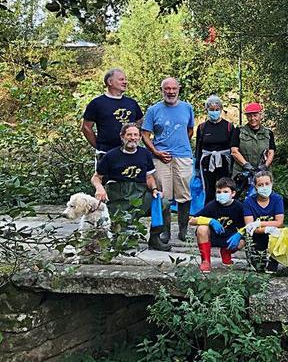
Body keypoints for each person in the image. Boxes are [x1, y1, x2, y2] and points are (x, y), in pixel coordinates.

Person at [91, 123, 169, 251]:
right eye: (129, 135)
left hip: (140, 195)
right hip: (119, 200)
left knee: (163, 203)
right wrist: (99, 188)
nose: (132, 138)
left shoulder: (145, 154)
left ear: (139, 138)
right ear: (122, 137)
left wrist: (154, 190)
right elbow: (96, 177)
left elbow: (149, 177)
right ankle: (121, 234)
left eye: (136, 135)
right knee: (125, 245)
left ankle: (155, 239)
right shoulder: (111, 156)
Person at [141, 77, 195, 243]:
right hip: (160, 158)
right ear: (162, 90)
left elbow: (190, 130)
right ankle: (165, 232)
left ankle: (183, 230)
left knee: (184, 194)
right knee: (162, 195)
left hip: (183, 156)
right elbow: (145, 134)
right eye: (167, 89)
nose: (171, 92)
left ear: (179, 89)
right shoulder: (153, 110)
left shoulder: (187, 108)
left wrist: (179, 145)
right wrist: (156, 152)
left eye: (174, 88)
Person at [81, 68, 143, 167]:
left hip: (130, 153)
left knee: (129, 182)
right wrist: (98, 146)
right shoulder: (97, 103)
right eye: (121, 79)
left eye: (125, 79)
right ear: (110, 82)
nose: (125, 82)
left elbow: (140, 122)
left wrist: (133, 140)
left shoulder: (132, 103)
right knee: (104, 182)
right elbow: (86, 127)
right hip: (106, 154)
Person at [189, 177, 245, 272]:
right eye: (219, 192)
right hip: (213, 235)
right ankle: (206, 261)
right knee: (202, 229)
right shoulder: (212, 205)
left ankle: (226, 253)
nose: (221, 194)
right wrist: (210, 221)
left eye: (225, 192)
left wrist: (239, 234)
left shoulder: (239, 206)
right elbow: (192, 220)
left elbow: (247, 225)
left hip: (230, 237)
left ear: (233, 193)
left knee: (243, 241)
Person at [242, 171, 286, 272]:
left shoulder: (277, 199)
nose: (264, 187)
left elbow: (279, 222)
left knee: (280, 234)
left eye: (267, 184)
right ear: (255, 187)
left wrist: (260, 224)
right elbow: (249, 227)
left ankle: (273, 262)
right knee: (258, 268)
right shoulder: (248, 202)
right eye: (260, 185)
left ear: (272, 184)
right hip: (256, 237)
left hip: (273, 236)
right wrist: (266, 229)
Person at [195, 95, 234, 204]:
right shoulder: (202, 127)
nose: (214, 112)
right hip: (207, 161)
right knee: (209, 189)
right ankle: (209, 211)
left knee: (224, 187)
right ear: (207, 110)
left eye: (217, 109)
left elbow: (233, 147)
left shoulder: (229, 126)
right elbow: (199, 147)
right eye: (211, 109)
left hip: (224, 161)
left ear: (221, 109)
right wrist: (197, 166)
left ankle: (225, 210)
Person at [230, 102, 275, 187]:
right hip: (242, 172)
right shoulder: (239, 131)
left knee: (263, 196)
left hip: (263, 173)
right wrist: (246, 165)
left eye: (255, 115)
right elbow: (234, 151)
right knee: (241, 197)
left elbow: (271, 152)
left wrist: (265, 166)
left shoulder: (268, 133)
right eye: (249, 116)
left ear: (260, 115)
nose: (252, 118)